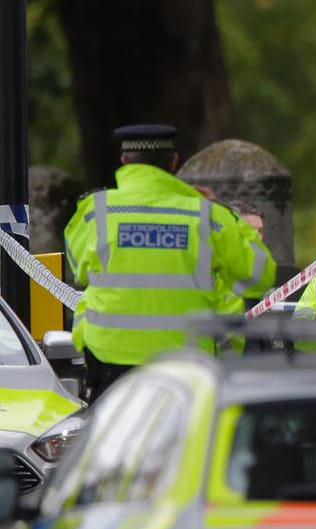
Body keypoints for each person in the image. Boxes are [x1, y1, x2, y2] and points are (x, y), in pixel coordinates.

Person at [63, 123, 276, 400]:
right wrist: (230, 215)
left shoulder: (96, 211)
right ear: (173, 163)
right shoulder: (208, 217)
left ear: (125, 161)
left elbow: (78, 267)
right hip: (187, 364)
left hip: (111, 360)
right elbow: (259, 276)